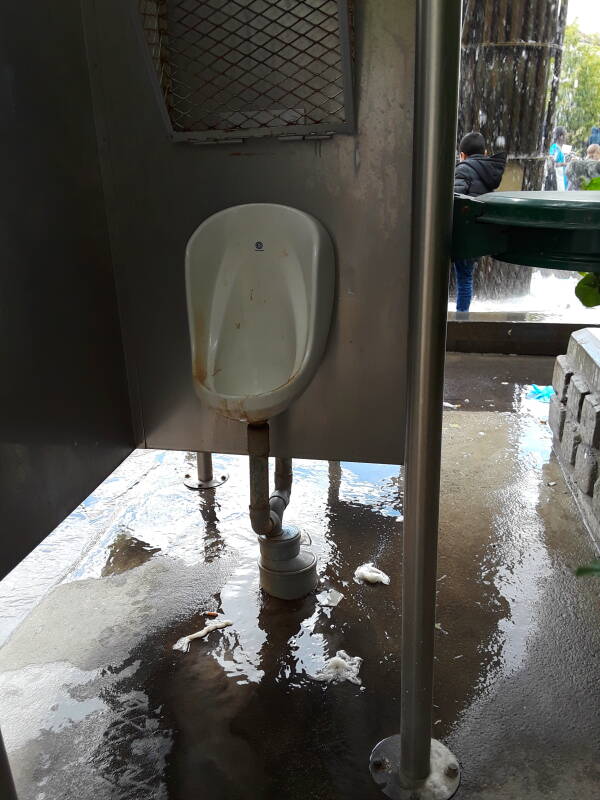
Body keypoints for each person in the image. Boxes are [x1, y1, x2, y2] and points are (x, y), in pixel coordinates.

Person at [453, 132, 507, 312]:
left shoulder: (462, 169)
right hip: (476, 234)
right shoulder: (489, 172)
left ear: (462, 155)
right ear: (485, 152)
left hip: (460, 234)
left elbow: (456, 200)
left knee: (457, 276)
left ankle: (455, 318)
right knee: (465, 278)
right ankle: (462, 316)